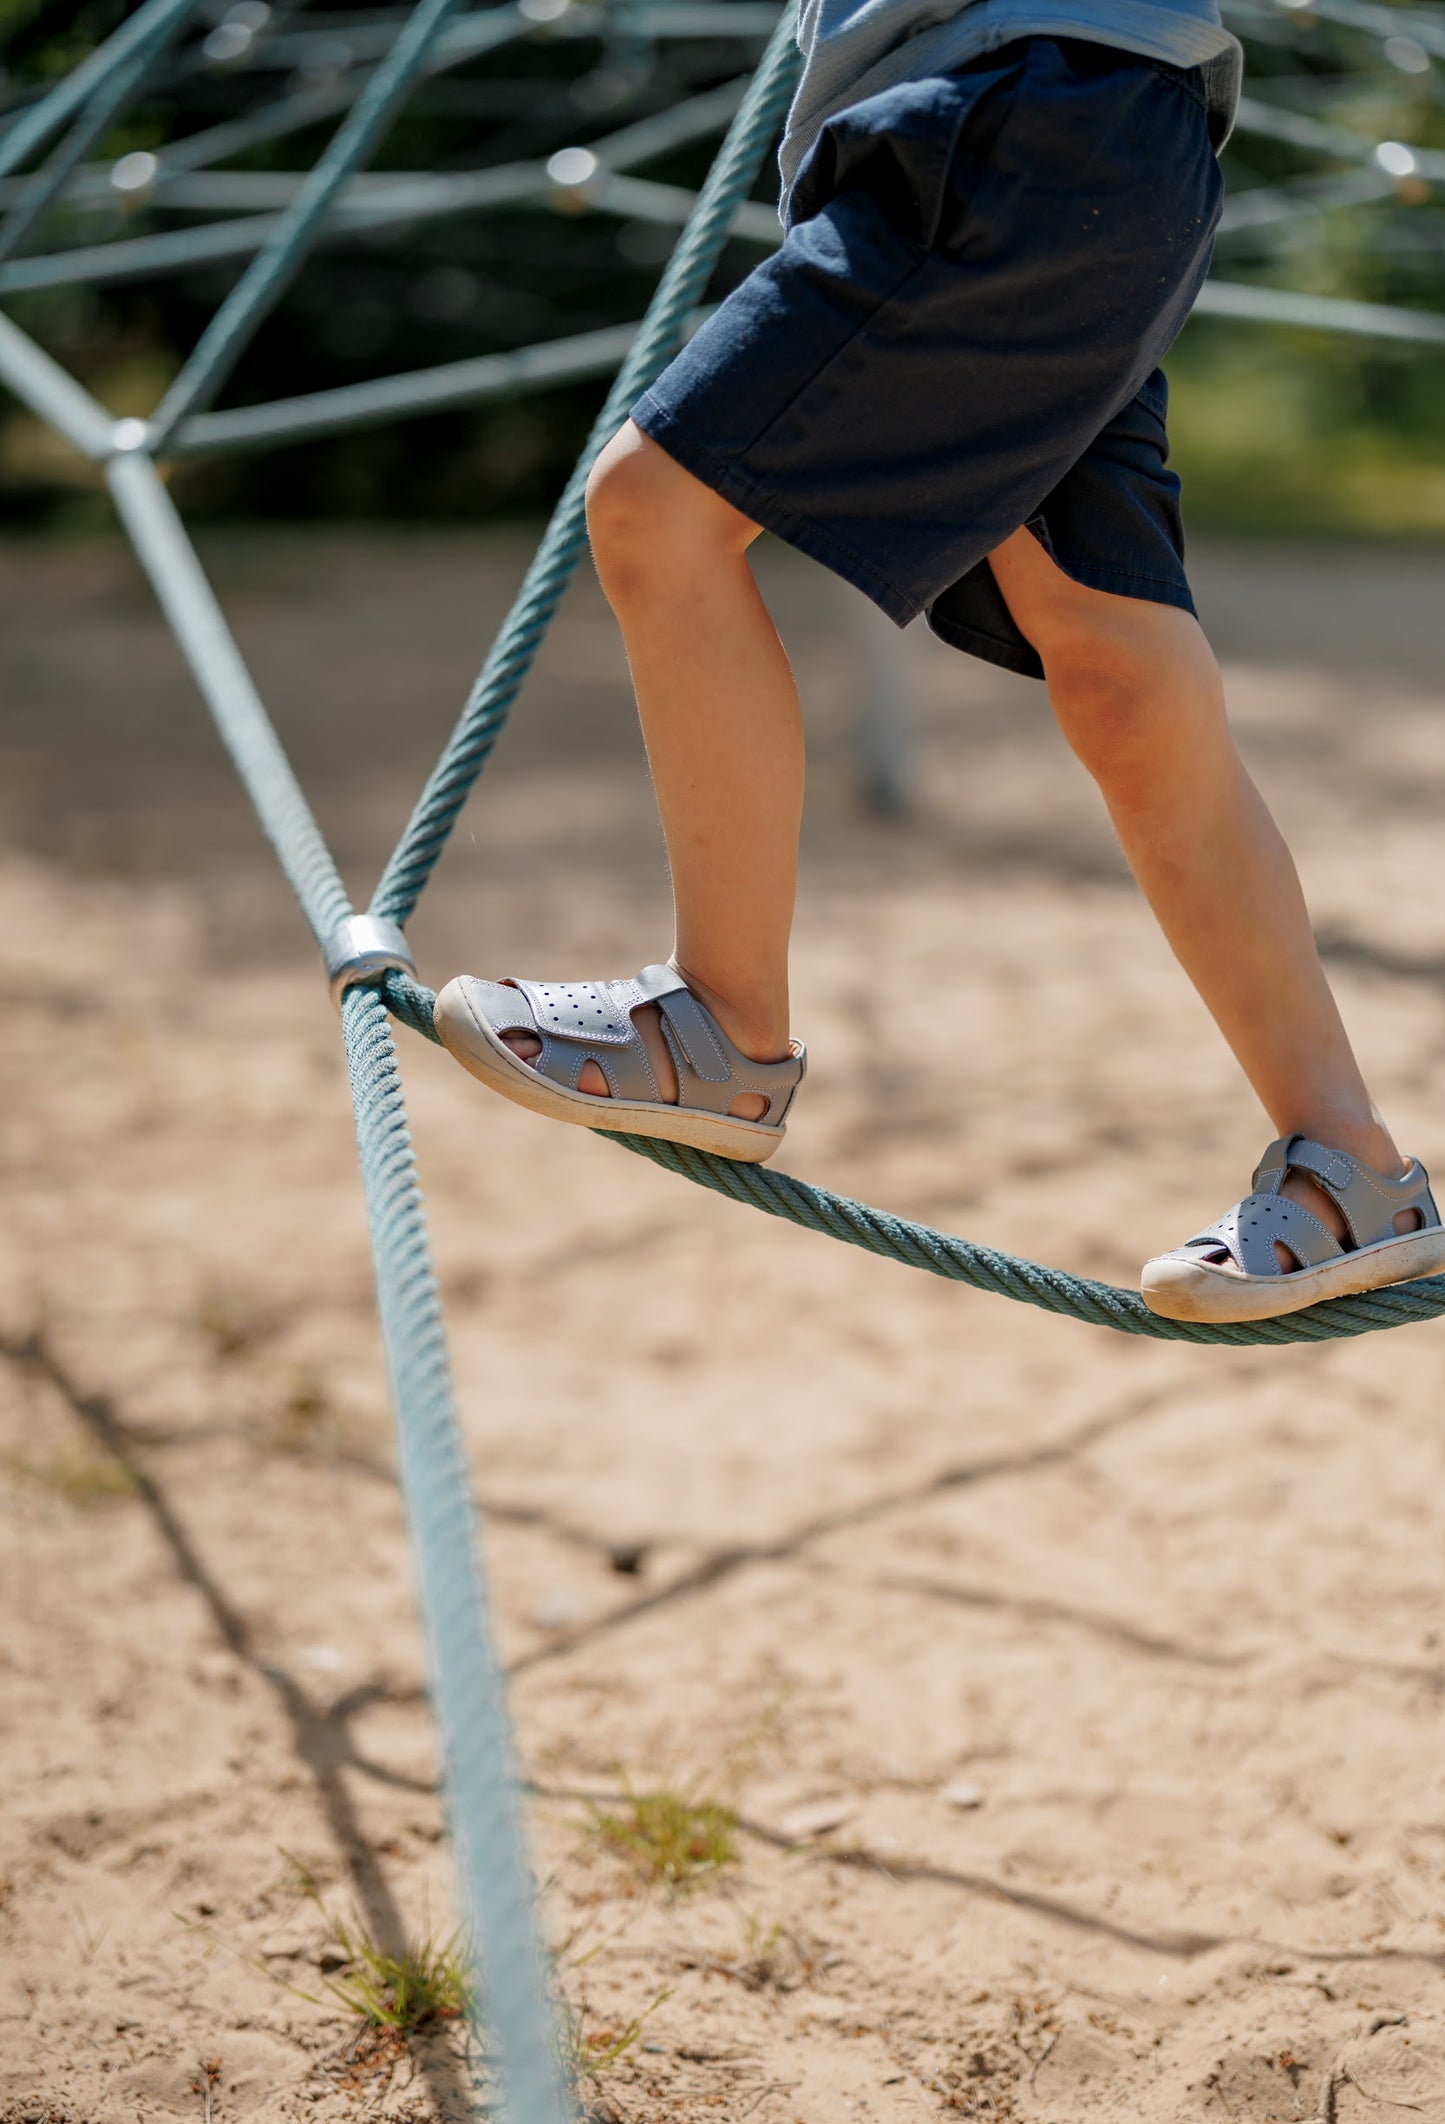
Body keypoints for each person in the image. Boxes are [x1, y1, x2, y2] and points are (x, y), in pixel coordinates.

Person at [435, 4, 1445, 1324]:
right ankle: (1352, 1165)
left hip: (1011, 115)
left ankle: (721, 1029)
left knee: (656, 512)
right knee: (1115, 667)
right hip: (1102, 139)